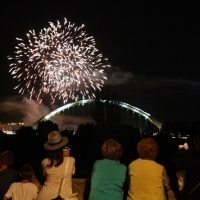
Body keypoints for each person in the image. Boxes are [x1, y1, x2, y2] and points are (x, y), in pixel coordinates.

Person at [37, 131, 76, 200]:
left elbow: (45, 174)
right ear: (63, 148)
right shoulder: (71, 160)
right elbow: (72, 172)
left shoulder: (44, 162)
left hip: (45, 197)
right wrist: (66, 157)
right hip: (63, 197)